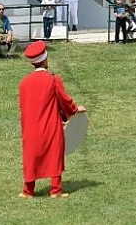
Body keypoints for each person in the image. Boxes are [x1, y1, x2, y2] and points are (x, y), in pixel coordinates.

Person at [18, 40, 87, 199]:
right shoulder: (53, 79)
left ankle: (28, 191)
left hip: (30, 126)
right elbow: (64, 100)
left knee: (31, 155)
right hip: (50, 124)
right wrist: (75, 110)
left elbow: (24, 106)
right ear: (45, 60)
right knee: (54, 153)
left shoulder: (24, 83)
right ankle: (55, 190)